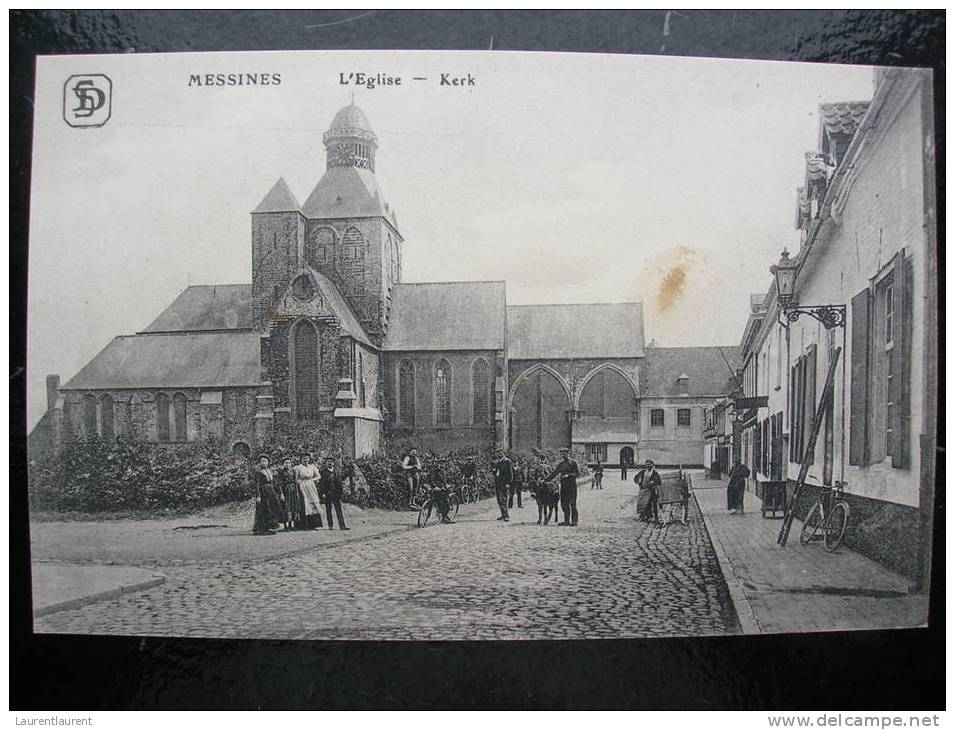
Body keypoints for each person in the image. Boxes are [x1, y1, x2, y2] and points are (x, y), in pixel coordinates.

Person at [544, 448, 581, 526]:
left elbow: (578, 473)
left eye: (565, 453)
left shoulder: (573, 463)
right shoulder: (561, 464)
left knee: (572, 503)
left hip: (572, 486)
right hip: (564, 487)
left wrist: (569, 475)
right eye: (562, 454)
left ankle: (574, 521)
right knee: (564, 504)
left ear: (568, 454)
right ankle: (566, 521)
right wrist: (545, 480)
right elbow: (554, 473)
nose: (563, 455)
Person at [251, 454, 283, 536]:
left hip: (271, 492)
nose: (264, 463)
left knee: (271, 509)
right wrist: (258, 496)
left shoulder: (270, 471)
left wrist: (279, 492)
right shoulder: (258, 472)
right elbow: (256, 484)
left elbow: (274, 483)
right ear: (260, 462)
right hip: (263, 492)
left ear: (268, 462)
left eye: (265, 461)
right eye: (262, 461)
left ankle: (269, 527)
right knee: (263, 510)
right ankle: (261, 529)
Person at [294, 452, 324, 529]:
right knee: (305, 503)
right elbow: (296, 479)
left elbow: (319, 476)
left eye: (307, 458)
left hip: (311, 486)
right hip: (302, 486)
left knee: (313, 503)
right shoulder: (298, 468)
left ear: (309, 459)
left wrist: (312, 480)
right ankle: (304, 525)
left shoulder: (312, 467)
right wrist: (300, 482)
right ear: (301, 459)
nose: (305, 460)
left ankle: (313, 525)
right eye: (304, 458)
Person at [319, 456, 350, 530]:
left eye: (331, 462)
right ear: (326, 463)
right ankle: (330, 526)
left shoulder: (336, 471)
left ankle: (342, 526)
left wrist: (340, 492)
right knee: (328, 510)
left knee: (339, 510)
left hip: (336, 493)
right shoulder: (323, 472)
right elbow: (321, 484)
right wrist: (322, 493)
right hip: (327, 493)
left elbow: (339, 483)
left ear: (333, 463)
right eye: (328, 461)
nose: (330, 463)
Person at [275, 455, 299, 531]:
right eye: (286, 463)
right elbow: (279, 483)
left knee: (293, 508)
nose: (287, 464)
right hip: (285, 491)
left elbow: (295, 482)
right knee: (286, 508)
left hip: (293, 491)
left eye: (289, 463)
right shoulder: (281, 472)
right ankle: (286, 525)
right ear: (283, 464)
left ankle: (291, 525)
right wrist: (281, 494)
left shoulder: (293, 471)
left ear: (291, 464)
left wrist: (297, 492)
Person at [634, 459, 662, 524]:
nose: (648, 466)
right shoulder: (643, 472)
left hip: (652, 491)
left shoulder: (655, 473)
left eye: (650, 464)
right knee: (643, 503)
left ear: (652, 465)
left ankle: (655, 518)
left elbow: (659, 482)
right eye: (647, 464)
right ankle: (644, 516)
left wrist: (654, 482)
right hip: (643, 490)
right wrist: (639, 482)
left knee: (653, 504)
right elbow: (636, 478)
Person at [428, 459, 455, 524]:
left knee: (447, 504)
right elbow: (431, 480)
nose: (442, 465)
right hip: (436, 490)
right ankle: (444, 517)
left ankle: (444, 517)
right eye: (440, 464)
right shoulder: (434, 471)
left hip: (443, 490)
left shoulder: (444, 472)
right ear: (438, 464)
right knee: (442, 503)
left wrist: (447, 485)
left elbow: (445, 482)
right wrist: (435, 487)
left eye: (443, 464)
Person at [493, 450, 513, 521]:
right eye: (498, 453)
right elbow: (496, 472)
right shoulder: (498, 462)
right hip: (498, 483)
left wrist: (508, 483)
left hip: (504, 483)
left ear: (503, 454)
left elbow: (510, 473)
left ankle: (506, 516)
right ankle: (503, 514)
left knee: (503, 499)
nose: (499, 454)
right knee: (499, 499)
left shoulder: (507, 461)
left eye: (501, 452)